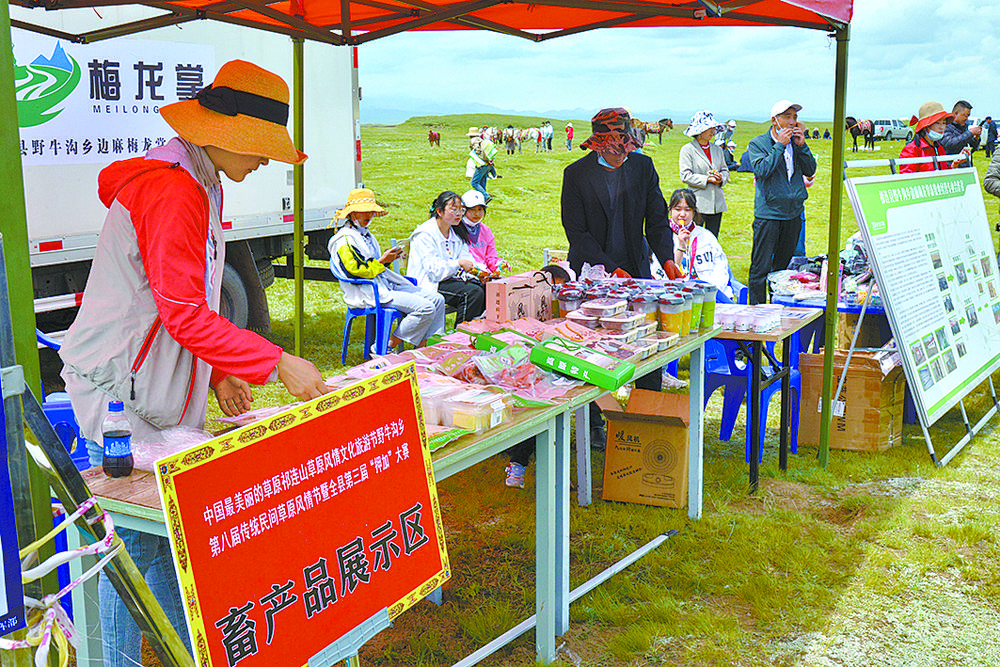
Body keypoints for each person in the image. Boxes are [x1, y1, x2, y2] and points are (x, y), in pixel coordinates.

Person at [58, 60, 330, 667]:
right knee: (130, 548)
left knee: (160, 541)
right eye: (260, 148)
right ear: (224, 133)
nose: (264, 162)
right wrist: (276, 361)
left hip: (148, 381)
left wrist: (221, 369)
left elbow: (186, 297)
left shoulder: (201, 180)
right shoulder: (173, 189)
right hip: (119, 389)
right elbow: (182, 313)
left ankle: (186, 651)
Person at [561, 107, 680, 447]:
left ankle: (647, 415)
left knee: (647, 342)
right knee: (591, 348)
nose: (618, 155)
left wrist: (667, 259)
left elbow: (656, 221)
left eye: (624, 149)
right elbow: (576, 232)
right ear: (597, 145)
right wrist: (610, 267)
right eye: (611, 149)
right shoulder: (576, 174)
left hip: (636, 270)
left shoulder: (643, 168)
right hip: (593, 271)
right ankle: (593, 422)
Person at [330, 188, 446, 352]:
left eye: (371, 211)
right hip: (368, 291)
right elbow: (354, 270)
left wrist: (386, 260)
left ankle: (426, 347)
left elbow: (374, 265)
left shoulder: (365, 235)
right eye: (364, 211)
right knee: (426, 308)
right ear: (352, 214)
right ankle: (387, 344)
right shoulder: (344, 240)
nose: (368, 215)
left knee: (438, 300)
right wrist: (383, 261)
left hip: (385, 285)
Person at [745, 100, 817, 304]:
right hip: (769, 214)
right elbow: (762, 170)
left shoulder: (796, 143)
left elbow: (810, 170)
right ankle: (757, 310)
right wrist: (779, 146)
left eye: (795, 117)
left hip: (793, 213)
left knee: (783, 268)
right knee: (760, 267)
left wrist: (802, 147)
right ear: (774, 120)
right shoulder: (758, 143)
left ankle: (779, 307)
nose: (792, 122)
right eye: (787, 117)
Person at [407, 191, 486, 324]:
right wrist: (458, 263)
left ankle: (477, 330)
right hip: (429, 283)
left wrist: (480, 272)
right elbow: (434, 271)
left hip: (448, 279)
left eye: (461, 210)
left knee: (486, 287)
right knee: (472, 293)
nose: (459, 214)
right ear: (439, 211)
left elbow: (467, 257)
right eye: (454, 209)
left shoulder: (455, 232)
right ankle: (461, 333)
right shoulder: (425, 234)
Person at [668, 189, 732, 299]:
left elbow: (721, 268)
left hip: (707, 295)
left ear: (694, 212)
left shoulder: (706, 236)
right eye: (677, 209)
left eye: (687, 210)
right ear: (670, 211)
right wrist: (681, 246)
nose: (682, 214)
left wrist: (711, 292)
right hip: (674, 297)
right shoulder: (662, 237)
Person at [679, 110, 730, 239]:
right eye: (709, 128)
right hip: (698, 203)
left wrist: (721, 178)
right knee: (695, 239)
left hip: (717, 204)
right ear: (699, 130)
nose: (712, 131)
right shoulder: (688, 150)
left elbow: (725, 170)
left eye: (713, 128)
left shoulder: (717, 149)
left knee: (713, 239)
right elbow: (685, 175)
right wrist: (707, 179)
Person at [899, 101, 961, 174]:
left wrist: (954, 165)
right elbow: (907, 178)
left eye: (944, 123)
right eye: (937, 123)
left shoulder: (939, 148)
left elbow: (942, 174)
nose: (942, 127)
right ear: (926, 127)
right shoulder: (912, 150)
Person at [460, 189, 508, 276]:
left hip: (484, 273)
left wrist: (499, 264)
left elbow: (491, 257)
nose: (477, 213)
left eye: (480, 209)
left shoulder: (485, 230)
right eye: (472, 209)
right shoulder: (456, 229)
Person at [941, 100, 980, 167]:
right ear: (956, 113)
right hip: (952, 167)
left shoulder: (964, 128)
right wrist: (970, 133)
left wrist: (976, 138)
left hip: (966, 167)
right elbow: (950, 145)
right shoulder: (946, 127)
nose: (966, 119)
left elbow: (971, 149)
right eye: (965, 116)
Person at [466, 127, 497, 201]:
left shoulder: (474, 141)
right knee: (482, 182)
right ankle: (482, 199)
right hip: (488, 165)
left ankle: (486, 196)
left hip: (482, 164)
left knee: (474, 182)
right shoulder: (481, 140)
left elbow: (479, 153)